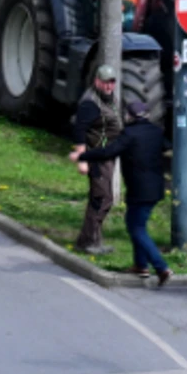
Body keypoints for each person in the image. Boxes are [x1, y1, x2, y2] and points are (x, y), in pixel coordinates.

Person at [73, 91, 172, 285]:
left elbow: (109, 151)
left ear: (128, 117)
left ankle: (161, 267)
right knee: (136, 223)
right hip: (156, 189)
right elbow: (166, 145)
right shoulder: (156, 132)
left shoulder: (129, 135)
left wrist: (84, 156)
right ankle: (140, 266)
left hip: (138, 190)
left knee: (136, 228)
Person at [70, 66, 117, 256]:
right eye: (105, 81)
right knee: (101, 198)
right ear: (96, 80)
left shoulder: (107, 98)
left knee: (102, 197)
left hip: (105, 156)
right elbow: (79, 131)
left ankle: (89, 239)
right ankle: (88, 242)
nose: (108, 85)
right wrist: (82, 160)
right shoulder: (90, 103)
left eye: (111, 81)